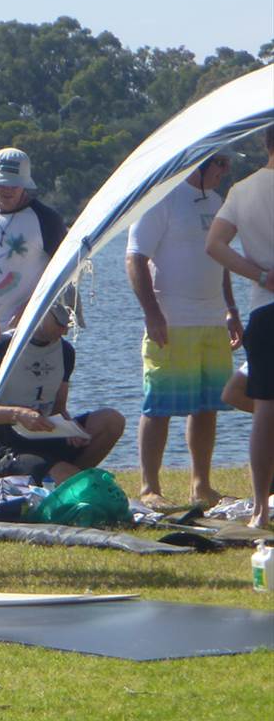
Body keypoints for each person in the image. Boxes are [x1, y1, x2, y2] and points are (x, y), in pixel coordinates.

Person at [126, 150, 242, 511]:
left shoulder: (217, 201)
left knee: (208, 405)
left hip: (212, 320)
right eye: (220, 162)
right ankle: (149, 487)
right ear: (200, 162)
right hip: (172, 321)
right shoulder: (162, 199)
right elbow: (135, 257)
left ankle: (201, 486)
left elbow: (220, 257)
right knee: (158, 404)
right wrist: (152, 313)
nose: (226, 169)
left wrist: (231, 309)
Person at [0, 289, 125, 484]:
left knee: (111, 421)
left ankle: (66, 482)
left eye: (69, 325)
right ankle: (64, 479)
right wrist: (18, 414)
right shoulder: (4, 346)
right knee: (69, 476)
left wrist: (71, 429)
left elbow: (58, 408)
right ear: (42, 313)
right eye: (60, 323)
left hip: (46, 434)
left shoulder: (65, 352)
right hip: (6, 444)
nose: (65, 331)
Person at [205, 128, 274, 529]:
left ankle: (261, 509)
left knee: (265, 406)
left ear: (266, 145)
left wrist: (261, 275)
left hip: (265, 308)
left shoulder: (242, 190)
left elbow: (215, 244)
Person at [0, 147, 69, 329]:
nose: (7, 190)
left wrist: (31, 309)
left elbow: (65, 273)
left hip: (26, 328)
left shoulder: (47, 219)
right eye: (2, 184)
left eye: (14, 185)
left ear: (24, 184)